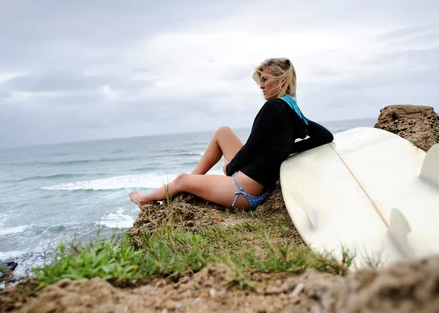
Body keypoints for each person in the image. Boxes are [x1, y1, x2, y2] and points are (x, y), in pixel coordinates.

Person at [129, 58, 334, 210]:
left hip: (244, 191)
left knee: (182, 179)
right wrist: (288, 150)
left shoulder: (273, 107)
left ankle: (145, 198)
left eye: (265, 80)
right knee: (223, 132)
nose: (261, 86)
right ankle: (195, 180)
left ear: (281, 80)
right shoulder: (294, 111)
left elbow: (253, 145)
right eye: (259, 81)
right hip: (257, 182)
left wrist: (232, 167)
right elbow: (325, 136)